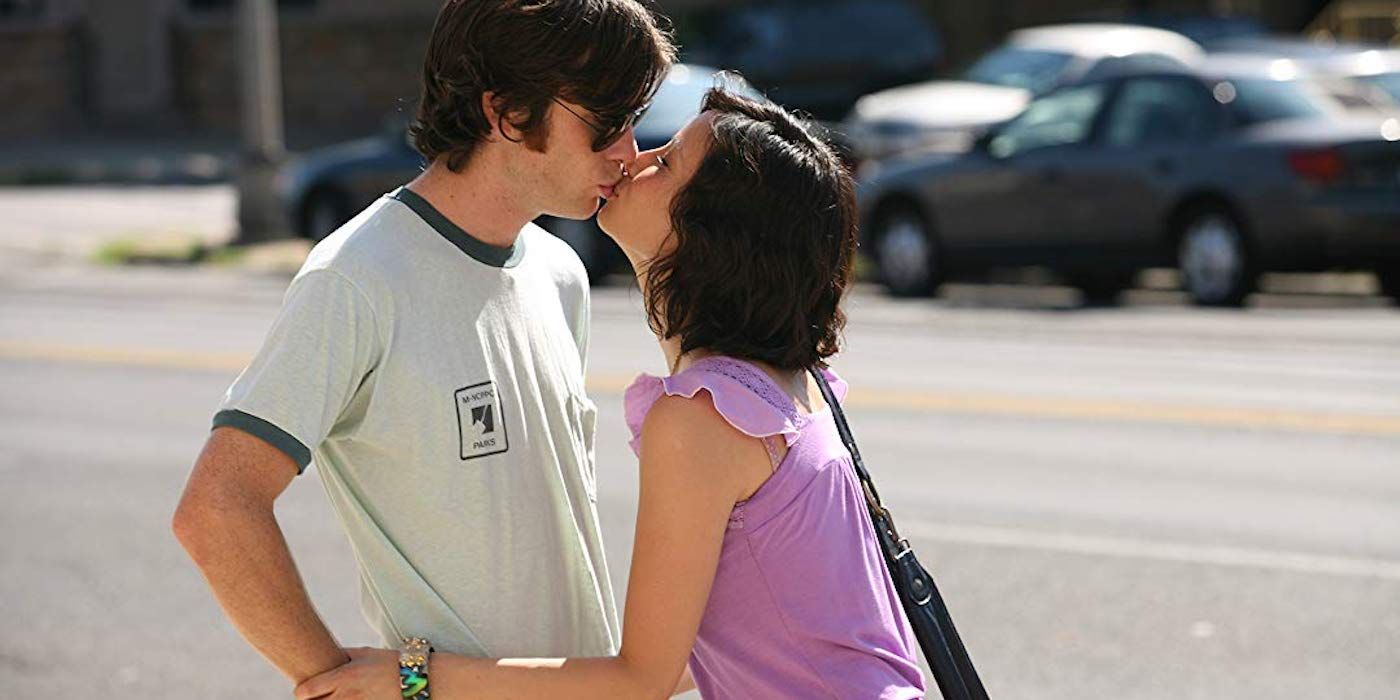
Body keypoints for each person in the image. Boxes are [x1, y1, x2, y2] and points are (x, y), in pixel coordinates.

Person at [292, 89, 928, 699]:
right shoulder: (791, 388)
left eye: (668, 161)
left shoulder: (703, 419)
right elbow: (722, 646)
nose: (635, 156)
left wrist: (411, 681)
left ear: (711, 230)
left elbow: (640, 682)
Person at [170, 0, 675, 690]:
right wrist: (343, 681)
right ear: (507, 114)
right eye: (606, 126)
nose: (629, 152)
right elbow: (217, 509)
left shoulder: (559, 274)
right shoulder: (356, 277)